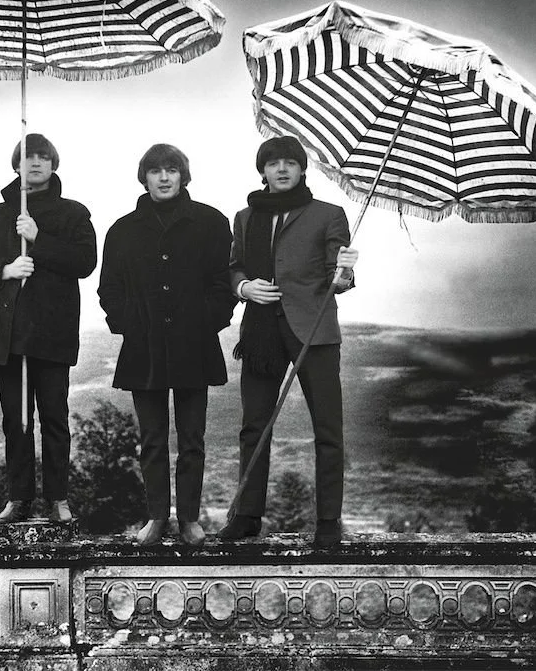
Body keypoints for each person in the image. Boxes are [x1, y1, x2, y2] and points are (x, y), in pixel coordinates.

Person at [221, 136, 359, 548]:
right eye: (273, 163)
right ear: (262, 170)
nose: (281, 169)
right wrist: (245, 288)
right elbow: (235, 267)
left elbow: (342, 272)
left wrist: (345, 275)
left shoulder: (329, 214)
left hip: (314, 332)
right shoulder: (245, 217)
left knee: (328, 428)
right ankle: (247, 517)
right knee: (253, 426)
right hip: (261, 332)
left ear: (302, 169)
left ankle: (329, 522)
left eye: (290, 163)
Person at [98, 144, 237, 546]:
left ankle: (190, 519)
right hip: (144, 349)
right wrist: (130, 324)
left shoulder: (211, 222)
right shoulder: (122, 230)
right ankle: (157, 518)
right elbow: (109, 290)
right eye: (155, 170)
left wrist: (206, 320)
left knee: (193, 438)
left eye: (171, 169)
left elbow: (222, 284)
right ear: (144, 177)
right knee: (153, 440)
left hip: (195, 345)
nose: (163, 177)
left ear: (183, 175)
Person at [0, 133, 97, 524]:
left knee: (54, 418)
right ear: (17, 166)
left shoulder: (73, 213)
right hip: (9, 336)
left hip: (53, 334)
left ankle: (58, 498)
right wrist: (4, 271)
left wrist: (39, 239)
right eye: (28, 157)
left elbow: (85, 262)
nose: (36, 162)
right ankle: (18, 498)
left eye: (43, 156)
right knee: (16, 421)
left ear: (54, 164)